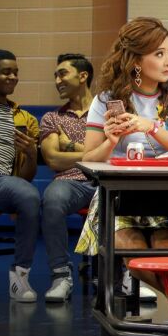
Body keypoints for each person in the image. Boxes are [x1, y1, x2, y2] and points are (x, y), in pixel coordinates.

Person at [79, 17, 168, 336]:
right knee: (135, 254)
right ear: (136, 61)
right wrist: (111, 140)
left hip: (162, 196)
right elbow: (89, 159)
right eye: (159, 53)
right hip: (117, 197)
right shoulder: (106, 100)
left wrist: (149, 126)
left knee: (166, 253)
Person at [38, 54, 95, 302]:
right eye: (55, 76)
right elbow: (52, 159)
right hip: (69, 182)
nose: (57, 80)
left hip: (105, 180)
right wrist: (93, 152)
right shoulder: (52, 118)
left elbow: (113, 153)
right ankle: (61, 275)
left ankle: (122, 275)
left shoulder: (108, 111)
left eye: (62, 74)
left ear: (83, 76)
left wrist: (69, 145)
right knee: (52, 198)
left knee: (124, 199)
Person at [0, 49, 41, 302]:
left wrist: (31, 154)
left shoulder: (24, 119)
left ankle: (20, 276)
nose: (13, 77)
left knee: (29, 195)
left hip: (3, 182)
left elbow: (24, 179)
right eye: (6, 71)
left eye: (16, 72)